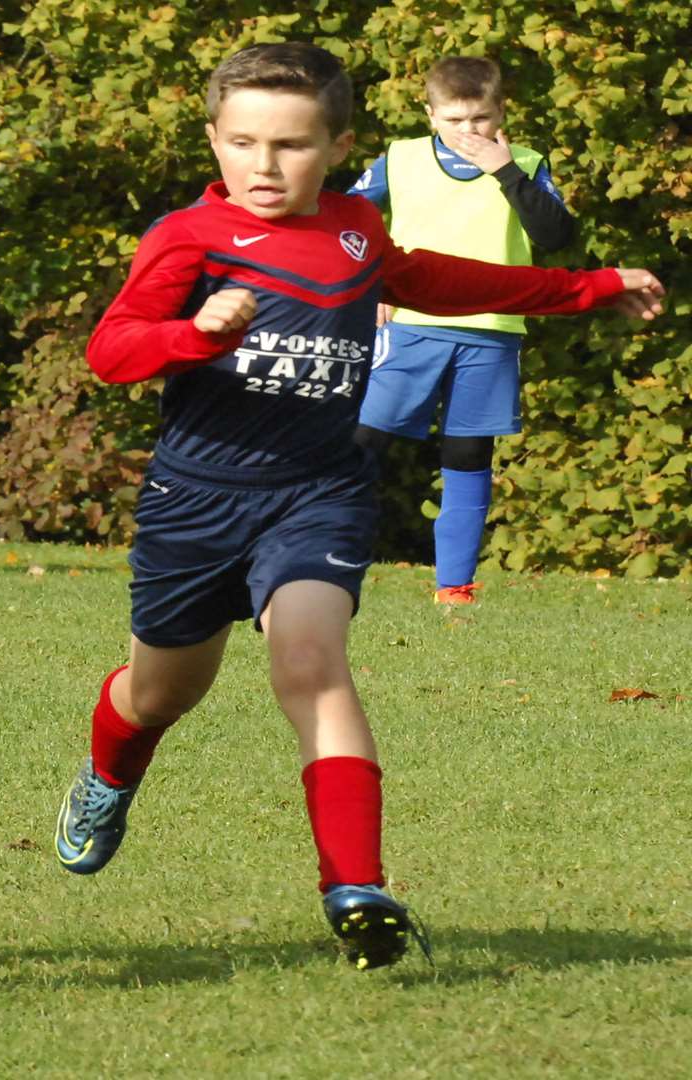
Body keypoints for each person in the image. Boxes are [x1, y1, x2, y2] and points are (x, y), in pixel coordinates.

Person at [53, 43, 663, 971]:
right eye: (245, 142)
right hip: (197, 502)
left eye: (292, 145)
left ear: (338, 146)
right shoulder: (188, 237)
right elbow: (114, 350)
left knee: (312, 661)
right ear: (213, 137)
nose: (265, 166)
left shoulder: (352, 231)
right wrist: (193, 332)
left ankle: (357, 886)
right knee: (158, 693)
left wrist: (589, 288)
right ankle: (107, 775)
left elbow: (442, 283)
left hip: (318, 492)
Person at [347, 56, 579, 605]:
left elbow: (556, 236)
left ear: (501, 112)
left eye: (480, 118)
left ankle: (455, 588)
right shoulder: (399, 159)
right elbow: (343, 218)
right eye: (454, 119)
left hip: (493, 331)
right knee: (361, 444)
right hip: (412, 328)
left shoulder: (524, 162)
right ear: (430, 115)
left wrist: (506, 171)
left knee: (469, 454)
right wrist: (370, 287)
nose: (468, 131)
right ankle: (322, 565)